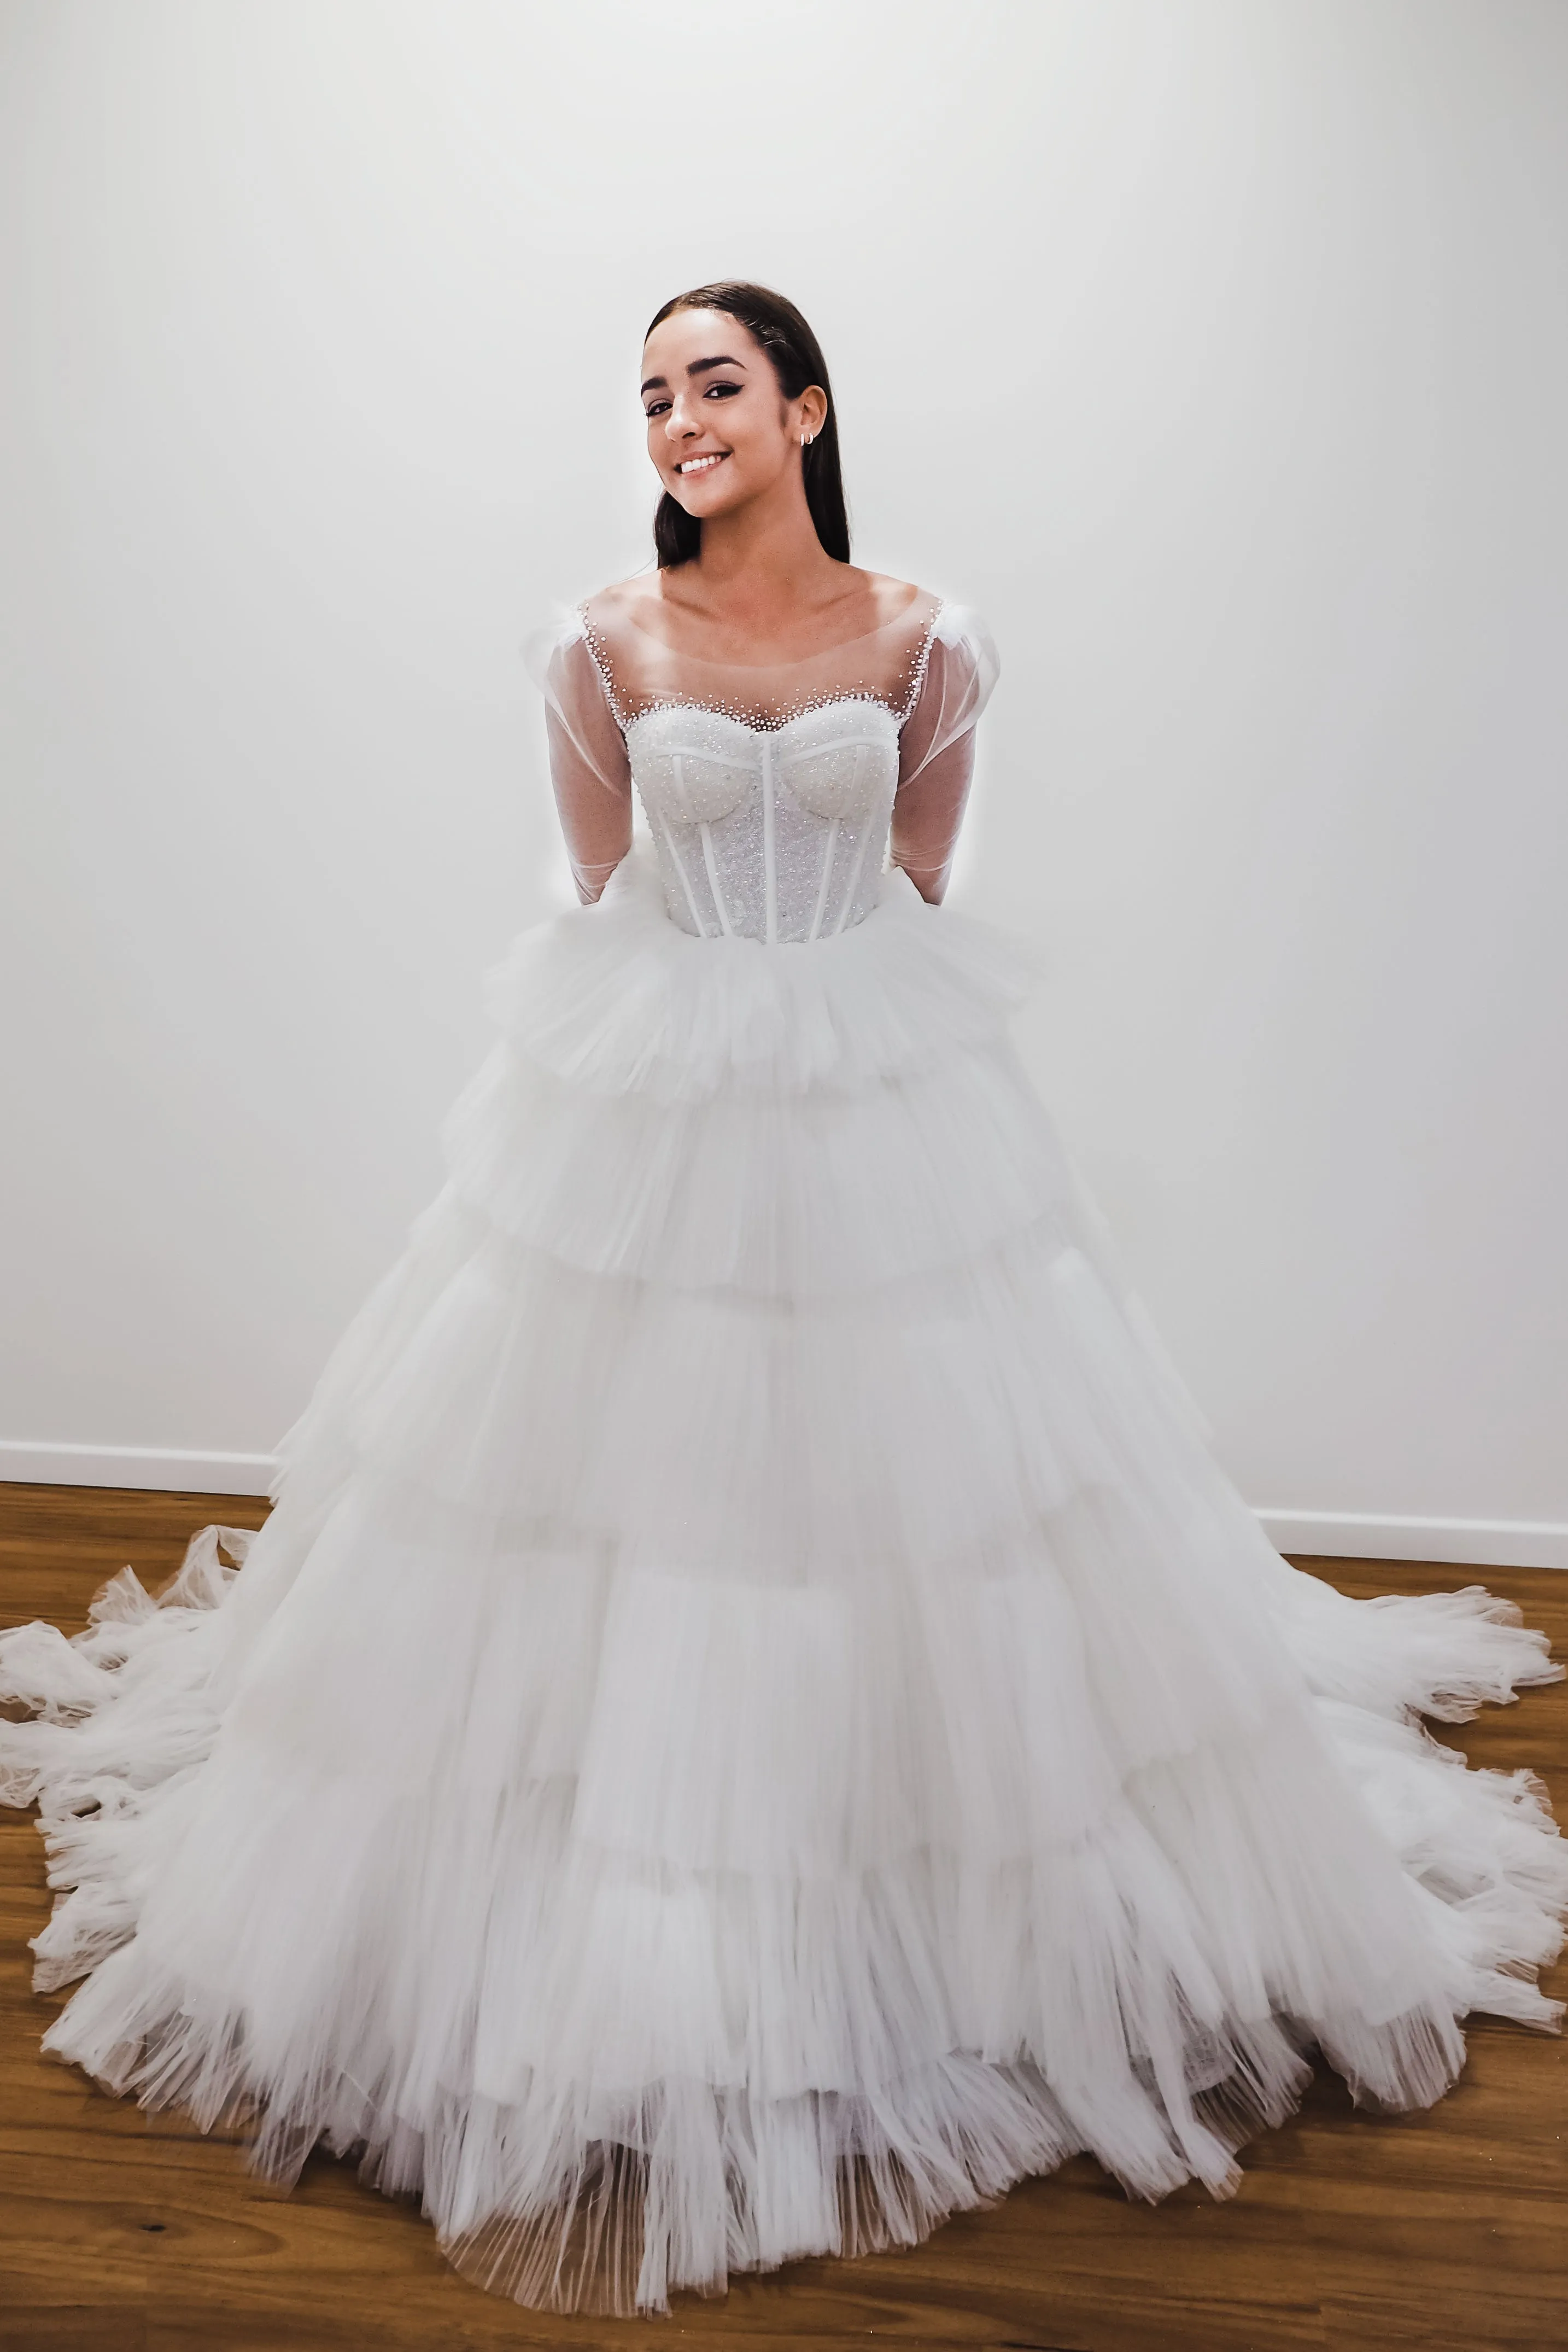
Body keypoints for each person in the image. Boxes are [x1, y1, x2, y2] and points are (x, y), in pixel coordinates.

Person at [2, 281, 1565, 2320]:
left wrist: (814, 1024)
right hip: (654, 1097)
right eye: (650, 395)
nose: (676, 418)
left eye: (714, 383)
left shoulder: (930, 631)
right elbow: (596, 888)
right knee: (622, 1499)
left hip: (877, 1091)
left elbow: (918, 866)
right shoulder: (597, 640)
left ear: (807, 408)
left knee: (932, 1497)